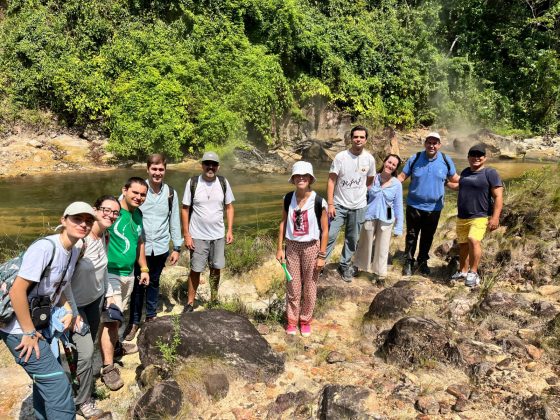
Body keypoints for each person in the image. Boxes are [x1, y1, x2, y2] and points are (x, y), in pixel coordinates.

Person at [0, 202, 96, 420]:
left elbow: (55, 286)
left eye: (88, 221)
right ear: (63, 220)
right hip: (17, 327)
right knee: (59, 388)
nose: (83, 224)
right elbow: (17, 292)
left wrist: (68, 308)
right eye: (77, 219)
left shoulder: (73, 250)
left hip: (35, 323)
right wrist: (29, 332)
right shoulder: (45, 248)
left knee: (47, 381)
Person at [69, 196, 120, 418]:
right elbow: (62, 279)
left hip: (95, 301)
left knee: (84, 350)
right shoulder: (81, 242)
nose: (110, 215)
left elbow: (102, 271)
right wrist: (70, 311)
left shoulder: (105, 237)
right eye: (105, 210)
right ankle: (83, 402)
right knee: (87, 352)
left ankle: (76, 383)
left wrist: (108, 295)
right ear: (95, 210)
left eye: (115, 212)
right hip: (75, 306)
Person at [124, 154, 183, 342]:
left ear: (165, 170)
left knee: (154, 282)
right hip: (138, 247)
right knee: (137, 285)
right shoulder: (138, 191)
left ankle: (150, 317)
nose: (157, 173)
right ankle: (134, 322)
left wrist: (177, 247)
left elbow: (174, 220)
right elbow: (121, 209)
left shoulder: (170, 193)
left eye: (161, 169)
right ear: (148, 169)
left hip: (160, 246)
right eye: (154, 169)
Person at [99, 177, 149, 391]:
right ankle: (108, 367)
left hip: (128, 273)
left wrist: (144, 268)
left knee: (119, 315)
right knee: (111, 319)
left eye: (142, 194)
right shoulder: (113, 212)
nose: (138, 197)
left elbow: (139, 243)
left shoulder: (137, 215)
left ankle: (116, 346)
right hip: (110, 273)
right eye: (134, 193)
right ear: (124, 190)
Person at [276, 161, 328, 337]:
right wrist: (279, 248)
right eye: (297, 175)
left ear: (310, 178)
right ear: (293, 179)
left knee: (310, 287)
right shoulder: (287, 198)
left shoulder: (319, 201)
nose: (301, 178)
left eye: (304, 176)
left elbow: (325, 230)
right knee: (293, 286)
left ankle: (305, 320)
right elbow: (283, 224)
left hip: (311, 247)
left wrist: (322, 255)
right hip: (291, 247)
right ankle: (292, 321)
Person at [398, 132, 460, 276]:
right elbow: (402, 176)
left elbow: (455, 178)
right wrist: (384, 183)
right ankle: (408, 261)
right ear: (425, 143)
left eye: (435, 143)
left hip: (434, 208)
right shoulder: (415, 158)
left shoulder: (445, 160)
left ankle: (422, 261)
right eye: (429, 142)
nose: (431, 145)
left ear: (439, 145)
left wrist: (476, 180)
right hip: (414, 205)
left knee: (428, 236)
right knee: (412, 235)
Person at [181, 152, 234, 311]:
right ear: (202, 165)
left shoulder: (223, 182)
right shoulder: (192, 183)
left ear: (218, 166)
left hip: (218, 235)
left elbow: (229, 207)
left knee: (216, 268)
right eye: (207, 164)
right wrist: (186, 234)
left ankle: (214, 299)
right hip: (197, 235)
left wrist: (230, 230)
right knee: (195, 269)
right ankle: (190, 302)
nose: (210, 167)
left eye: (214, 164)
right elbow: (185, 209)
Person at [448, 144, 503, 287]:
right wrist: (444, 182)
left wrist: (495, 217)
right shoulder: (466, 172)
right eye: (473, 155)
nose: (476, 158)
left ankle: (473, 273)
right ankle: (463, 271)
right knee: (463, 245)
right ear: (468, 157)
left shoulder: (490, 173)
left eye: (480, 155)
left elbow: (498, 196)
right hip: (462, 217)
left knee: (473, 240)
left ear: (485, 158)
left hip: (480, 216)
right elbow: (459, 186)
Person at [325, 125, 376, 282]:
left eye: (361, 137)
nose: (358, 139)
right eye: (356, 137)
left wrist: (361, 195)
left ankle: (344, 265)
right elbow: (331, 181)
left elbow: (370, 181)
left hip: (359, 206)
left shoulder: (369, 159)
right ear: (351, 139)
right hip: (339, 204)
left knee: (352, 238)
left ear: (366, 140)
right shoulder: (341, 157)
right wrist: (331, 203)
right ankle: (320, 263)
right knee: (330, 235)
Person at [354, 154, 404, 281]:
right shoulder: (372, 178)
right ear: (384, 162)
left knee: (383, 246)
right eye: (389, 162)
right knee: (365, 242)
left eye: (394, 164)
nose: (390, 165)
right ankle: (358, 266)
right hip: (370, 214)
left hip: (387, 215)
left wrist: (399, 227)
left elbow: (398, 206)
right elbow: (360, 196)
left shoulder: (397, 184)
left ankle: (379, 273)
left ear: (396, 168)